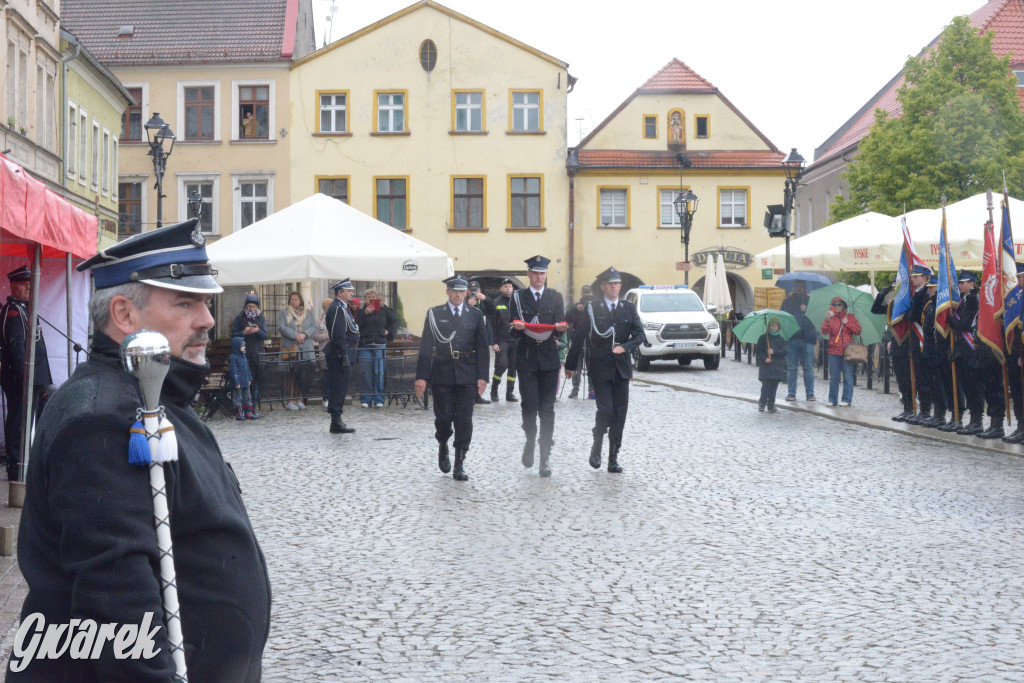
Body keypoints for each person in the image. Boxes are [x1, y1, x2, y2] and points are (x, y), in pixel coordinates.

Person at [9, 218, 270, 680]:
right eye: (186, 302)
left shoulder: (154, 396)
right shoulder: (103, 418)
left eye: (206, 303)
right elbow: (117, 609)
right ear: (124, 315)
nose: (207, 320)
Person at [565, 267, 643, 473]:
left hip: (622, 368)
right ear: (602, 287)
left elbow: (639, 335)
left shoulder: (628, 308)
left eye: (617, 283)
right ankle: (597, 443)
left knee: (620, 415)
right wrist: (571, 364)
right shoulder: (593, 308)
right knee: (606, 410)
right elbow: (580, 335)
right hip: (599, 366)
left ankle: (613, 458)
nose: (614, 287)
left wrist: (625, 347)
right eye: (610, 284)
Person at [414, 276, 490, 481]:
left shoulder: (475, 314)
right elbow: (426, 347)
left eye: (461, 291)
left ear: (466, 293)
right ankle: (443, 443)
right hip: (442, 372)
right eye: (454, 290)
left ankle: (460, 462)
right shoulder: (435, 314)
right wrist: (421, 376)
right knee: (444, 418)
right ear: (447, 291)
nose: (458, 294)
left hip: (467, 372)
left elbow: (483, 347)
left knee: (464, 420)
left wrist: (483, 377)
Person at [509, 255, 568, 477]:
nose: (538, 277)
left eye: (542, 273)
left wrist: (561, 328)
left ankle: (545, 457)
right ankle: (530, 439)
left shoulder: (555, 297)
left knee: (547, 409)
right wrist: (515, 327)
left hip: (549, 358)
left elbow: (560, 323)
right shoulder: (518, 297)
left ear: (546, 275)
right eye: (535, 273)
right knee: (529, 406)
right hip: (526, 357)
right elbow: (511, 329)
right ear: (528, 274)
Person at [1, 265, 52, 483]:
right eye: (24, 284)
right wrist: (26, 380)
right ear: (13, 287)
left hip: (35, 379)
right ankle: (16, 470)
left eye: (30, 284)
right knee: (19, 426)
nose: (29, 287)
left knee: (30, 424)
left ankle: (25, 465)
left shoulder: (25, 308)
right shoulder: (14, 312)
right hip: (22, 380)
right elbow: (17, 351)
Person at [871, 281, 913, 422]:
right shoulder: (892, 304)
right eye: (895, 286)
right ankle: (907, 408)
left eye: (899, 285)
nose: (897, 288)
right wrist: (882, 294)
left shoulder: (909, 301)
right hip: (896, 344)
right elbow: (875, 309)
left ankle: (912, 408)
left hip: (908, 344)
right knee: (901, 378)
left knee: (909, 379)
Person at [949, 272, 984, 435]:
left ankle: (977, 421)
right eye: (960, 283)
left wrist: (951, 320)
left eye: (963, 282)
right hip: (962, 350)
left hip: (970, 350)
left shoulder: (973, 300)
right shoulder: (964, 300)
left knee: (973, 386)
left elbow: (965, 324)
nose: (960, 285)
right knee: (967, 387)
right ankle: (972, 420)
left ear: (972, 283)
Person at [356, 289, 399, 408]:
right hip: (365, 345)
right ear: (365, 299)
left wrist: (388, 330)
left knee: (379, 373)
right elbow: (356, 325)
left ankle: (379, 399)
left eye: (373, 296)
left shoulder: (384, 311)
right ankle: (366, 399)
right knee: (365, 373)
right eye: (369, 296)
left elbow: (396, 321)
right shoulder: (361, 312)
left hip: (380, 345)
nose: (371, 298)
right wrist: (365, 313)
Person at [325, 279, 358, 434]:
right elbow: (338, 334)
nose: (351, 293)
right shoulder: (338, 308)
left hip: (344, 352)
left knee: (341, 387)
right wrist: (344, 354)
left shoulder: (342, 307)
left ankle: (337, 420)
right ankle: (336, 421)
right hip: (339, 353)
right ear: (340, 292)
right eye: (348, 290)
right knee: (338, 388)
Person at [905, 266, 936, 424]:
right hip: (917, 342)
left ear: (924, 278)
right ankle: (922, 409)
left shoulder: (926, 294)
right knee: (919, 376)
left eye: (916, 276)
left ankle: (926, 409)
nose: (913, 279)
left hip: (925, 341)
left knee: (925, 376)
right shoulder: (916, 293)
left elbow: (916, 315)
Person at [278, 291, 317, 410]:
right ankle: (290, 400)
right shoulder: (284, 313)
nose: (294, 301)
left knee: (302, 374)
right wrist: (296, 335)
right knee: (291, 374)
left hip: (305, 347)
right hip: (291, 346)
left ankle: (300, 398)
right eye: (292, 299)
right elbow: (282, 327)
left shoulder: (308, 313)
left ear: (300, 300)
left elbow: (314, 327)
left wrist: (304, 334)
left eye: (296, 299)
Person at [820, 296, 861, 407]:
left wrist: (847, 323)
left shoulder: (850, 317)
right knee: (834, 377)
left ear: (844, 306)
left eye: (839, 305)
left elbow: (858, 330)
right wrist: (827, 320)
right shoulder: (830, 318)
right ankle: (832, 400)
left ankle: (846, 400)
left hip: (847, 351)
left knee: (848, 376)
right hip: (834, 351)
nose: (836, 307)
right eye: (834, 305)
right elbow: (824, 331)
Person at [780, 280, 816, 401]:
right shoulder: (787, 301)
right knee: (792, 368)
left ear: (805, 287)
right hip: (792, 339)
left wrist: (807, 311)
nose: (799, 288)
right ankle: (791, 393)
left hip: (808, 338)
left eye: (801, 286)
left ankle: (810, 393)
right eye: (797, 286)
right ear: (794, 287)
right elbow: (782, 319)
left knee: (808, 367)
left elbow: (817, 319)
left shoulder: (811, 302)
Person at [230, 292, 268, 405]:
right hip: (244, 354)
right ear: (245, 306)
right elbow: (233, 335)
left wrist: (258, 331)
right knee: (246, 380)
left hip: (258, 352)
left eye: (253, 306)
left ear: (257, 307)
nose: (251, 308)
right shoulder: (240, 317)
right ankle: (245, 404)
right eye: (249, 306)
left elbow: (265, 335)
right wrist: (244, 332)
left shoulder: (261, 317)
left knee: (257, 379)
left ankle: (255, 403)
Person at [489, 278, 519, 402]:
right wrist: (494, 342)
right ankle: (494, 390)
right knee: (501, 365)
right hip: (502, 340)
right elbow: (492, 325)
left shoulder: (517, 303)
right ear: (501, 289)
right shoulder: (496, 303)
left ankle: (510, 393)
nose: (508, 288)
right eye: (506, 286)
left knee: (513, 366)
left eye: (510, 286)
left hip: (515, 339)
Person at [564, 284, 594, 399]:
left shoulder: (594, 305)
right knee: (576, 366)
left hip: (591, 340)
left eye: (588, 293)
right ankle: (575, 389)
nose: (586, 296)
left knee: (591, 366)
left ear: (591, 294)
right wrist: (576, 309)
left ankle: (592, 390)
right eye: (585, 293)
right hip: (578, 340)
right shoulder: (576, 306)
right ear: (581, 294)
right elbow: (567, 318)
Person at [467, 280, 494, 405]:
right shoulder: (464, 303)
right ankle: (469, 394)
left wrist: (486, 299)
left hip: (482, 340)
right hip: (469, 339)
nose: (474, 293)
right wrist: (469, 306)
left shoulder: (483, 302)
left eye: (476, 291)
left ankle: (478, 395)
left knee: (482, 367)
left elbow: (493, 312)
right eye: (471, 291)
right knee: (470, 368)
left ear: (480, 291)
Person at [755, 316, 788, 413]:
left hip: (777, 366)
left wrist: (774, 352)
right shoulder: (763, 338)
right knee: (766, 386)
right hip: (766, 366)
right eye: (772, 326)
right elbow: (759, 350)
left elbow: (784, 352)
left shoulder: (781, 339)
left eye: (776, 326)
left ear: (779, 327)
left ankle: (771, 404)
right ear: (769, 326)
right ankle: (762, 403)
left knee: (774, 386)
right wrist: (765, 358)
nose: (774, 328)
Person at [228, 336, 259, 420]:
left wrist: (249, 378)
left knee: (248, 396)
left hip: (245, 381)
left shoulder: (243, 356)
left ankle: (248, 412)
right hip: (238, 382)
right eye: (242, 346)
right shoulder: (233, 358)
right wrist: (236, 382)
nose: (244, 347)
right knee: (238, 398)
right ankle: (238, 413)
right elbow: (233, 371)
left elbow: (247, 369)